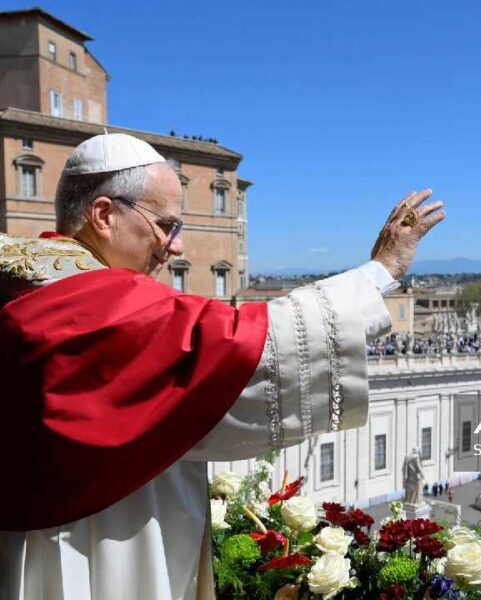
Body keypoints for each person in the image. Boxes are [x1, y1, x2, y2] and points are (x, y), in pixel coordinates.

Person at [0, 133, 445, 599]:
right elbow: (244, 344)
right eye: (165, 225)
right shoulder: (96, 305)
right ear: (105, 215)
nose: (176, 246)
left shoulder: (28, 284)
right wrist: (381, 270)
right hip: (99, 552)